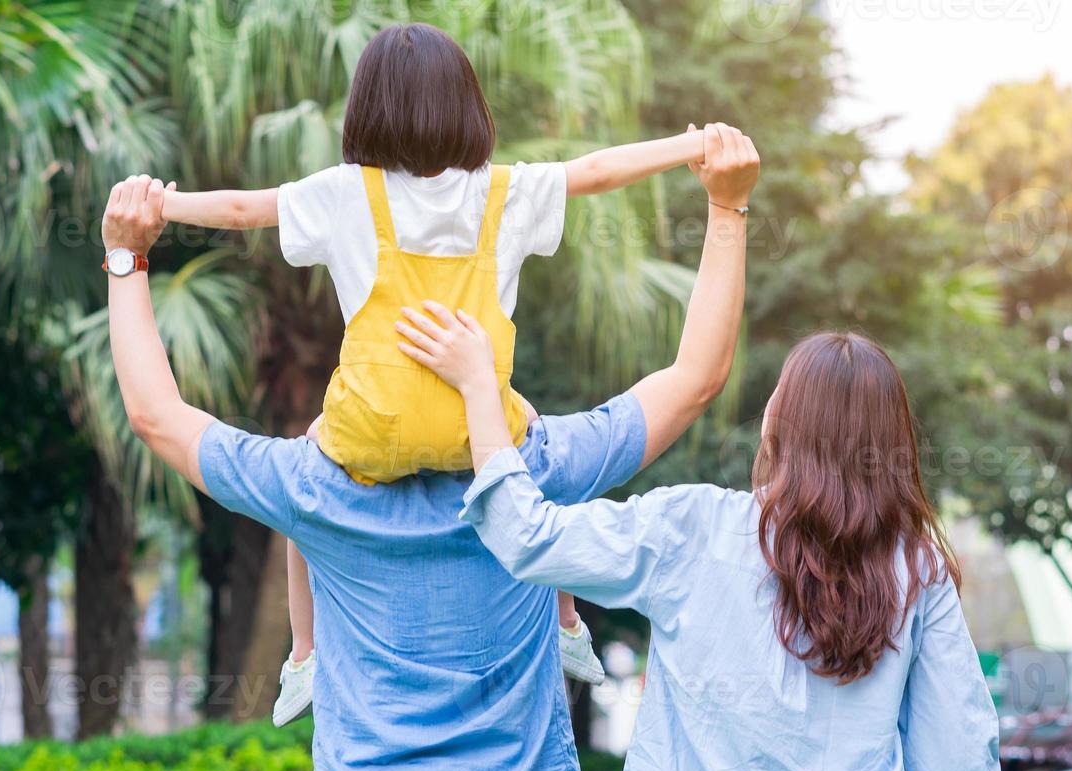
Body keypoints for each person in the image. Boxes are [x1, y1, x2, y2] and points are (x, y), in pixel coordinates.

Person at [99, 122, 758, 771]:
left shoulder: (313, 484)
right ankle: (566, 631)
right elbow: (694, 378)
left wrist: (128, 259)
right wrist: (727, 207)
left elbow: (158, 415)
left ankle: (311, 656)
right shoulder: (536, 474)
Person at [400, 317, 1043, 771]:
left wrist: (481, 386)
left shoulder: (693, 529)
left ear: (779, 425)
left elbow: (526, 537)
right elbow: (957, 743)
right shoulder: (918, 568)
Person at [158, 23, 712, 722]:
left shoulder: (345, 194)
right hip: (477, 435)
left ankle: (303, 656)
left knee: (300, 488)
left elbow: (242, 210)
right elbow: (597, 170)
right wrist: (687, 146)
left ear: (367, 109)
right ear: (468, 106)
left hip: (370, 434)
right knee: (541, 445)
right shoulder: (504, 193)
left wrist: (164, 205)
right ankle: (568, 622)